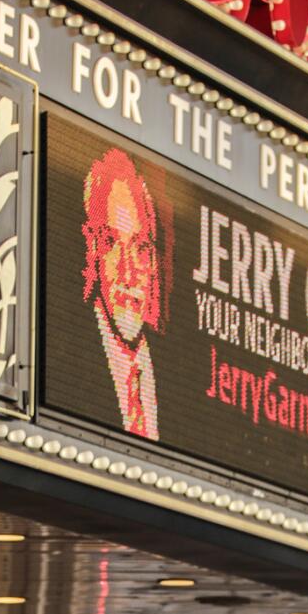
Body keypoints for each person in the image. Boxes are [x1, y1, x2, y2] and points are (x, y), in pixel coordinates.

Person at [80, 145, 169, 441]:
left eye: (141, 249)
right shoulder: (70, 363)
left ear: (155, 262)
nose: (129, 273)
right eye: (111, 244)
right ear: (93, 250)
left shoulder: (179, 387)